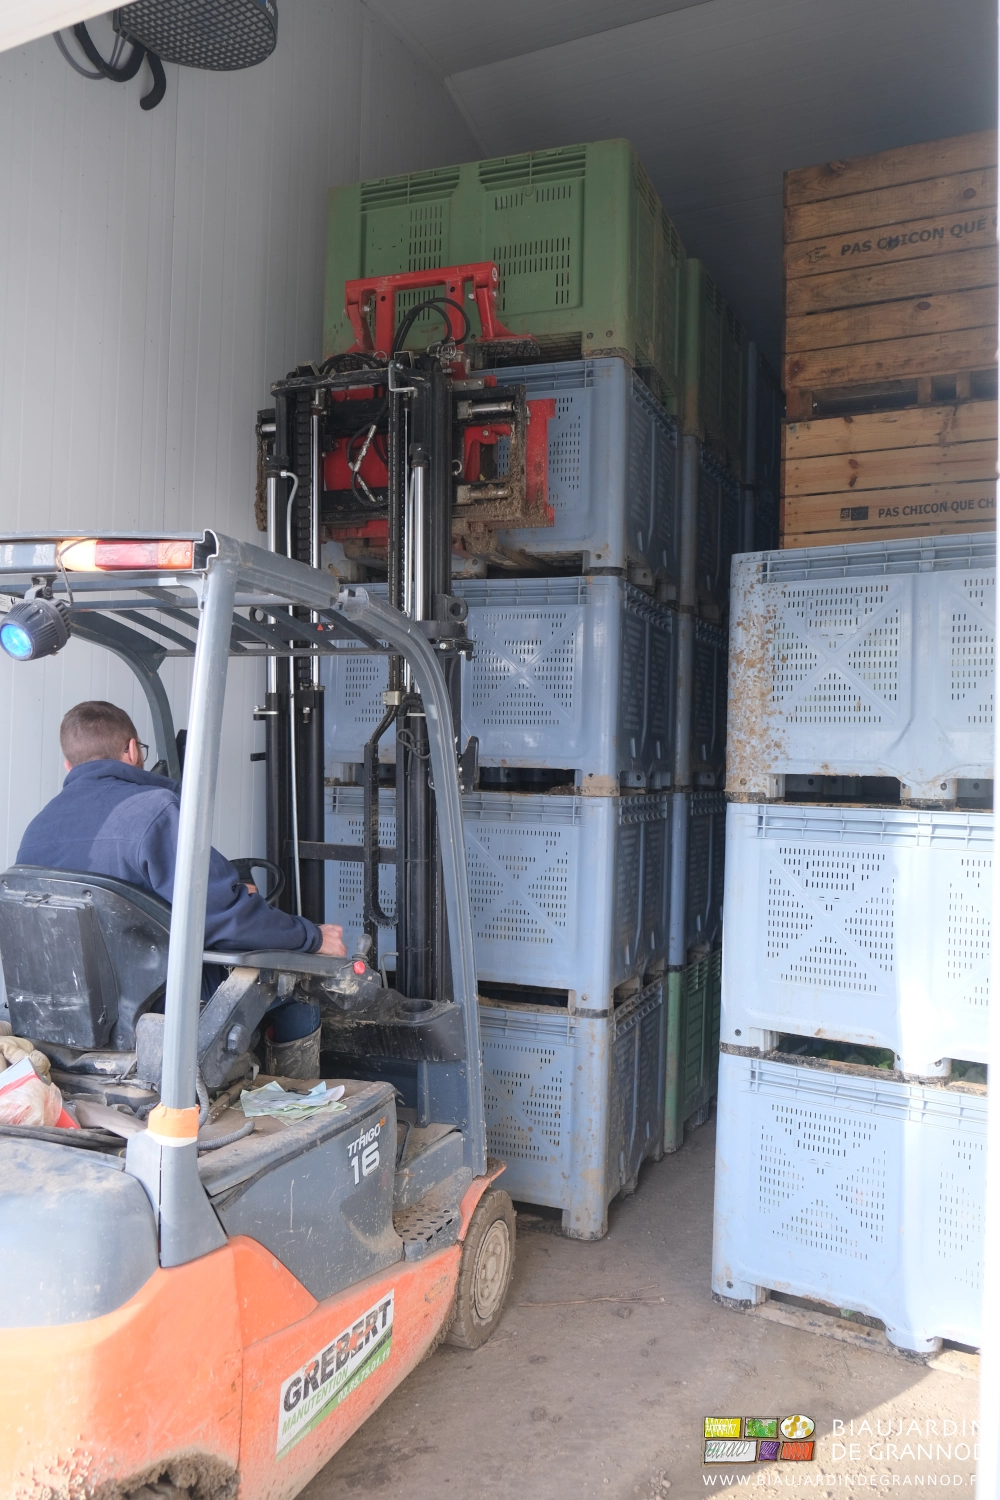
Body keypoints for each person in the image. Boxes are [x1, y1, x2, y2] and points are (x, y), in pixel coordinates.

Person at [16, 700, 346, 1072]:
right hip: (157, 1009)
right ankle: (297, 1102)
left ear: (68, 765)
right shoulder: (154, 811)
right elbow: (225, 919)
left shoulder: (36, 831)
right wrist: (312, 937)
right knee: (299, 985)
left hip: (65, 1017)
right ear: (130, 749)